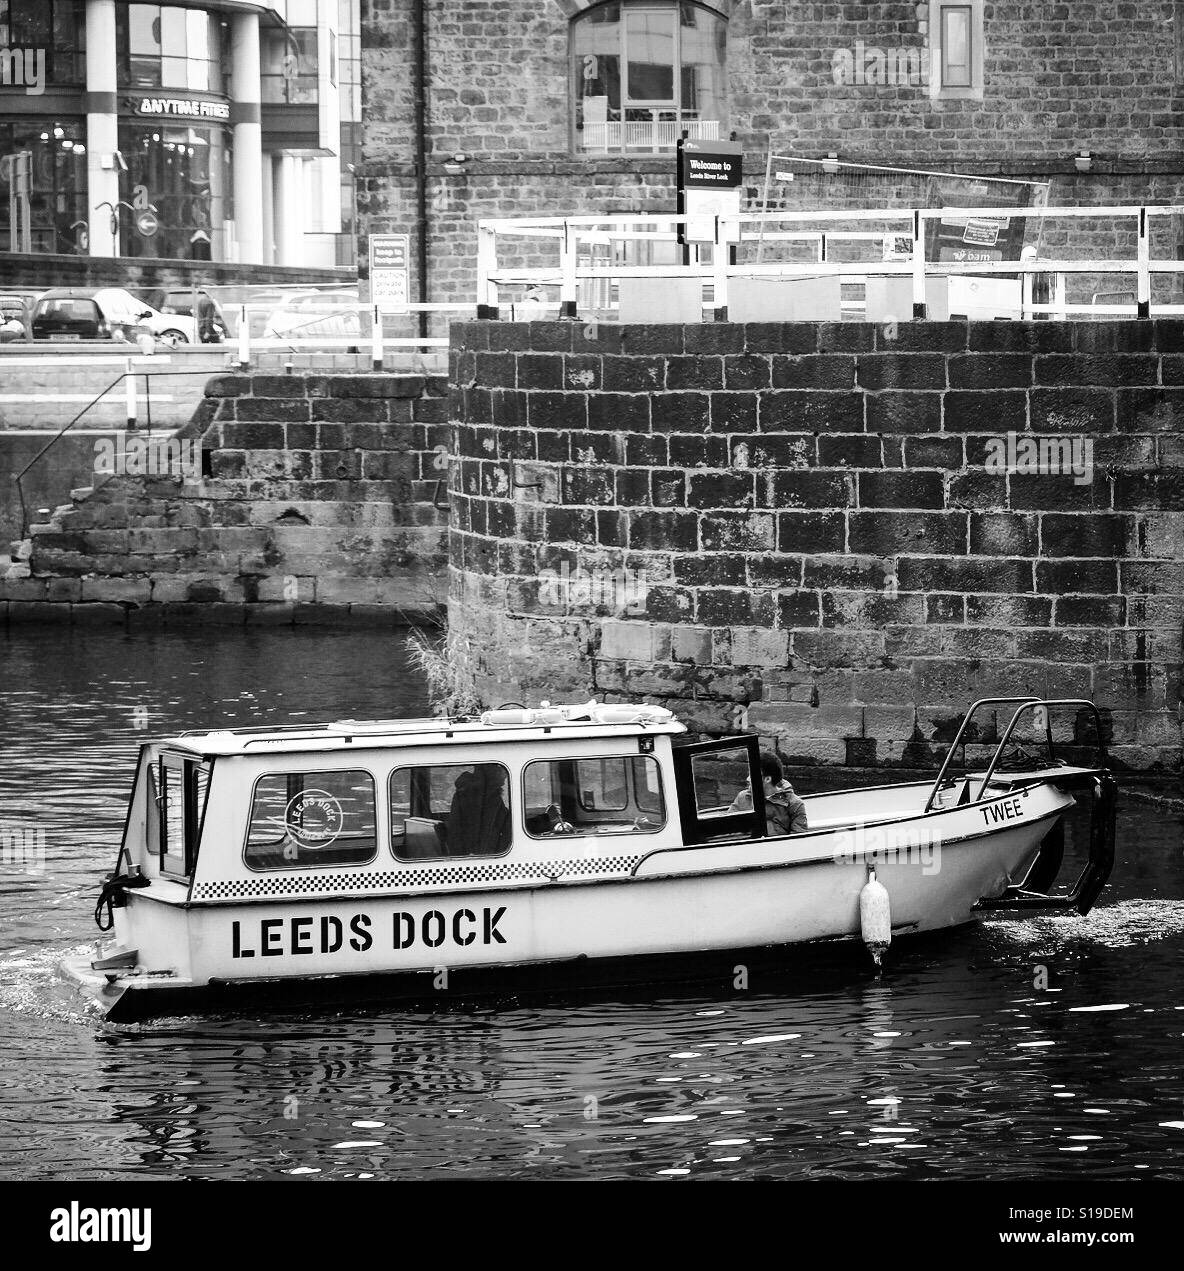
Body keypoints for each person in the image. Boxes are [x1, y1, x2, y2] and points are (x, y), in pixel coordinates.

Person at [729, 751, 808, 836]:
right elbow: (727, 827)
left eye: (752, 775)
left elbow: (798, 841)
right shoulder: (743, 797)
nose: (748, 779)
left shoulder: (795, 805)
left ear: (767, 779)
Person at [447, 765, 512, 856]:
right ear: (491, 771)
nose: (505, 774)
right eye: (500, 768)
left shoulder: (492, 795)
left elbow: (505, 821)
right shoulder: (472, 796)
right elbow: (471, 834)